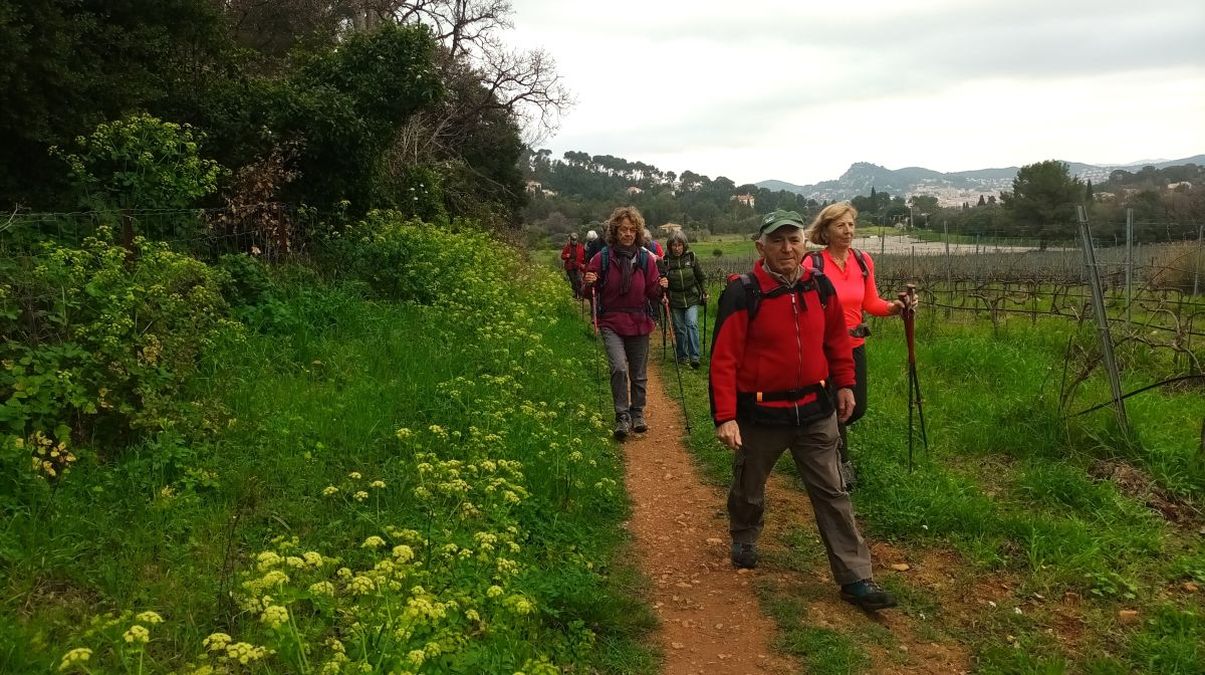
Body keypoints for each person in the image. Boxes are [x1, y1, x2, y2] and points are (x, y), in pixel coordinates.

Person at [709, 209, 896, 611]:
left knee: (833, 493)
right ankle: (744, 534)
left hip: (815, 408)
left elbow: (836, 342)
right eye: (777, 240)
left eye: (793, 239)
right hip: (761, 414)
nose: (787, 248)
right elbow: (723, 358)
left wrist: (845, 384)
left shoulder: (819, 286)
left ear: (804, 244)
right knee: (749, 485)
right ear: (761, 247)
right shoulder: (743, 292)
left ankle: (855, 577)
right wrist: (726, 416)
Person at [802, 202, 911, 491]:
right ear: (826, 230)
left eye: (851, 224)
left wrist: (895, 308)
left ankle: (818, 442)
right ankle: (840, 464)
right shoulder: (813, 265)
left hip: (855, 345)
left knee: (857, 407)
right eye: (841, 225)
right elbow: (805, 309)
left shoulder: (863, 261)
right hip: (825, 348)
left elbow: (871, 303)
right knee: (838, 406)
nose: (848, 230)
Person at [583, 207, 669, 439]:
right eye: (623, 229)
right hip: (611, 320)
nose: (628, 234)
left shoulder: (644, 259)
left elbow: (652, 292)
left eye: (632, 230)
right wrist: (589, 282)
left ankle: (637, 412)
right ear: (615, 231)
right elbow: (588, 291)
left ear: (637, 232)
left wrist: (661, 286)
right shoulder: (601, 258)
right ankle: (622, 416)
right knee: (619, 367)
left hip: (639, 319)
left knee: (638, 373)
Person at [662, 231, 707, 369]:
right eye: (674, 245)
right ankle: (682, 356)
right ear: (670, 247)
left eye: (679, 245)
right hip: (675, 299)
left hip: (691, 296)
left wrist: (704, 292)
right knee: (680, 328)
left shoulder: (691, 257)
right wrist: (663, 292)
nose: (677, 248)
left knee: (691, 324)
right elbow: (661, 280)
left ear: (684, 245)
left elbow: (701, 277)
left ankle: (695, 356)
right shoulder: (665, 261)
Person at [560, 233, 586, 299]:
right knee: (573, 281)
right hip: (570, 266)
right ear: (570, 240)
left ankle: (580, 295)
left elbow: (584, 256)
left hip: (577, 266)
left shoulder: (580, 246)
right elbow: (562, 256)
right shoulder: (567, 247)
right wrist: (566, 256)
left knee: (579, 280)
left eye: (575, 240)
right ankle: (575, 295)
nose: (574, 241)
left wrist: (583, 264)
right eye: (573, 240)